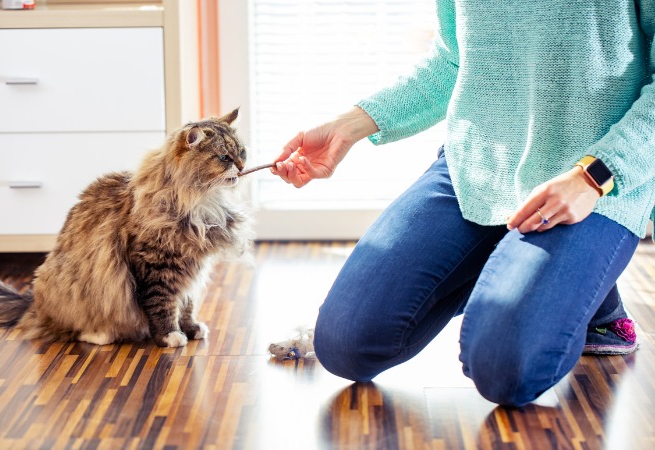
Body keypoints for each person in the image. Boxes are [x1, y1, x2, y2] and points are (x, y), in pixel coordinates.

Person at [270, 0, 654, 407]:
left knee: (504, 366)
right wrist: (348, 127)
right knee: (346, 342)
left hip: (591, 182)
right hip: (476, 170)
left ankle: (593, 306)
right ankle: (545, 275)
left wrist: (594, 176)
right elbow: (454, 63)